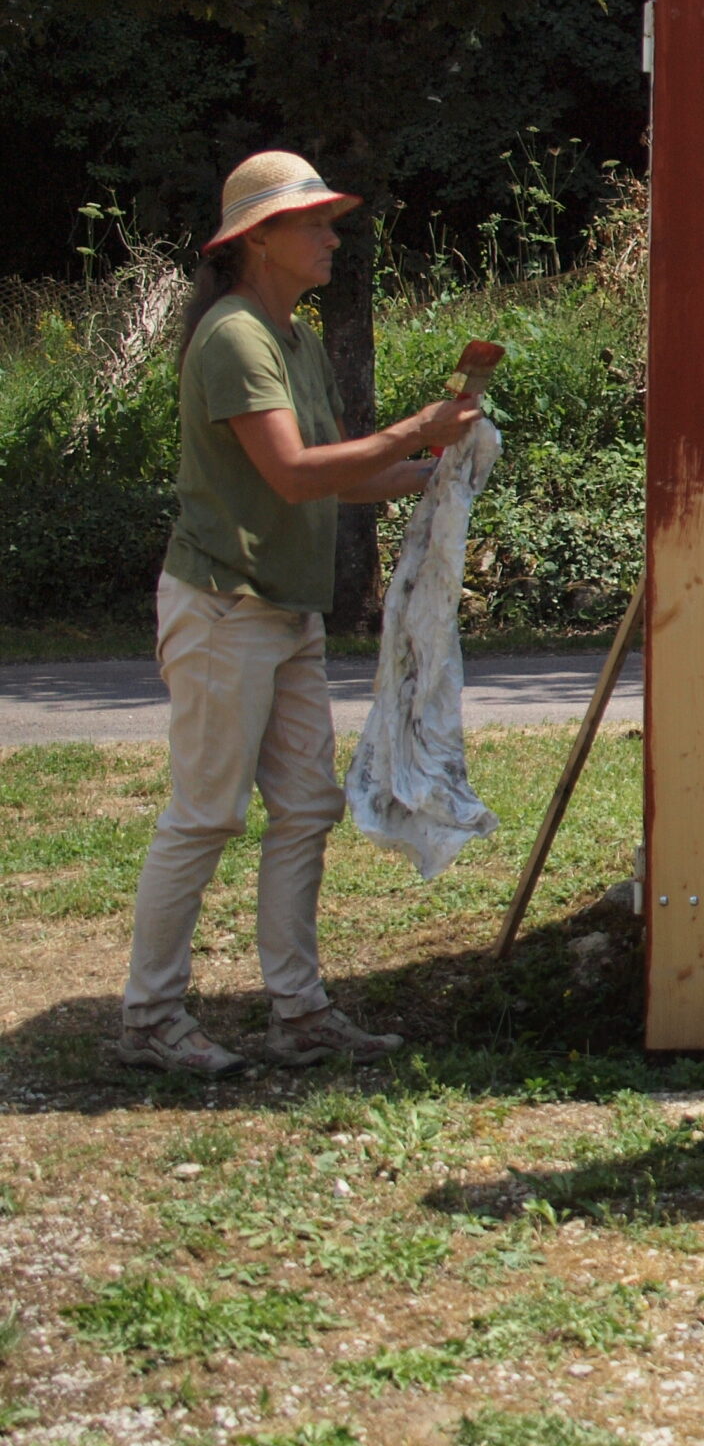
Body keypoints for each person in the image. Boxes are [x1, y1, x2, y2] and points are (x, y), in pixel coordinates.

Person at [121, 151, 481, 1077]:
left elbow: (333, 474)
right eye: (314, 223)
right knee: (205, 815)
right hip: (222, 606)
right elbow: (289, 475)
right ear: (258, 241)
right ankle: (150, 1020)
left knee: (306, 808)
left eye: (329, 221)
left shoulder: (300, 339)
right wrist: (415, 429)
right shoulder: (235, 335)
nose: (330, 236)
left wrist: (432, 472)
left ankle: (298, 1012)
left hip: (284, 610)